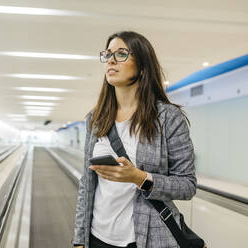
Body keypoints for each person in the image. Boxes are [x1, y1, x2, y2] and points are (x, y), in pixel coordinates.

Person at [72, 31, 197, 248]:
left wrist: (139, 177)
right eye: (108, 54)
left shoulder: (167, 118)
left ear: (142, 66)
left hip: (145, 238)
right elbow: (87, 183)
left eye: (121, 54)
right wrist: (79, 239)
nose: (110, 60)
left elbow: (187, 185)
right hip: (97, 236)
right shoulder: (97, 118)